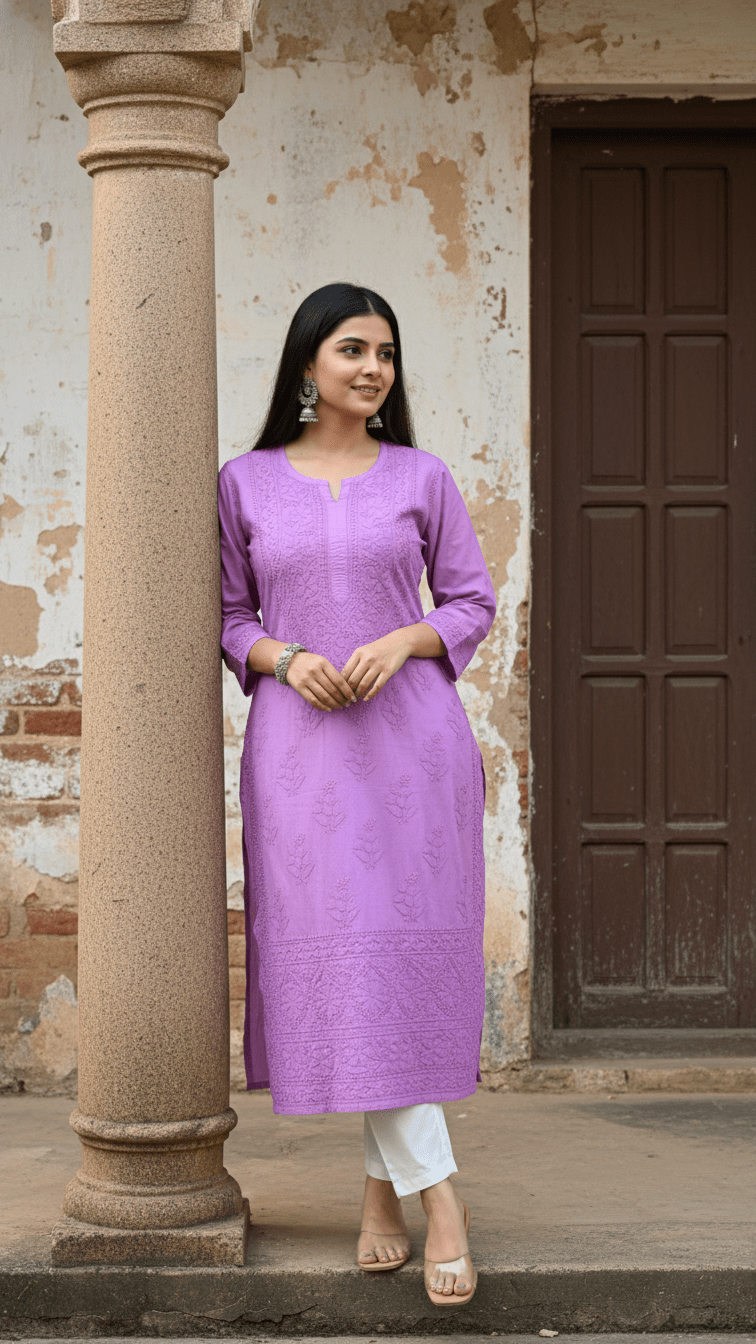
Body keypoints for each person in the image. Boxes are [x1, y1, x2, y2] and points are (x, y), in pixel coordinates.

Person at [218, 282, 496, 1306]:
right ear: (307, 366)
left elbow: (470, 599)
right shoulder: (242, 483)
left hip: (413, 746)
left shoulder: (421, 479)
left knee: (400, 963)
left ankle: (410, 1197)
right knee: (345, 967)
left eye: (386, 352)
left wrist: (407, 636)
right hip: (302, 754)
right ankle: (429, 1194)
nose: (374, 367)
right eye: (352, 349)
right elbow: (226, 614)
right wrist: (285, 660)